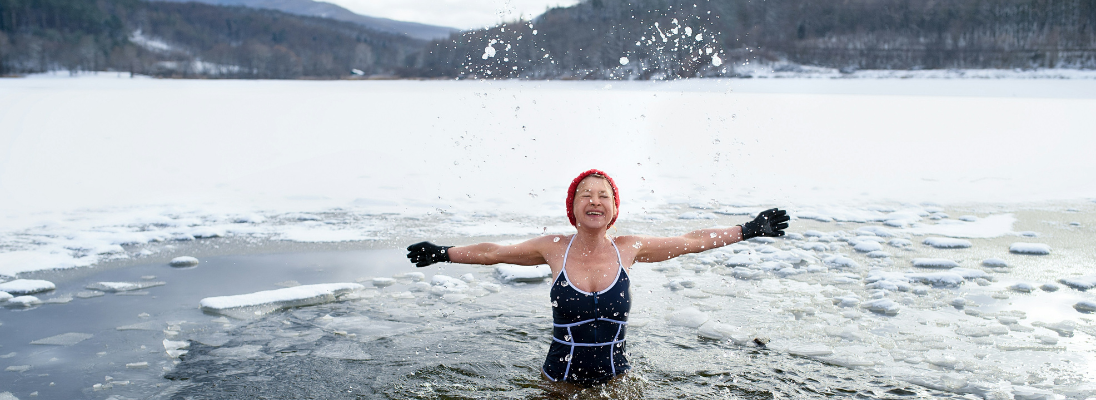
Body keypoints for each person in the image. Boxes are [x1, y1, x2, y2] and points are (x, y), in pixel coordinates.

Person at [406, 169, 789, 386]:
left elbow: (690, 241)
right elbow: (494, 253)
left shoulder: (629, 248)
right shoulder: (554, 248)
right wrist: (443, 253)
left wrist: (748, 229)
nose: (594, 200)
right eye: (585, 195)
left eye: (603, 195)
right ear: (573, 208)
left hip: (617, 384)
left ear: (614, 208)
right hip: (557, 382)